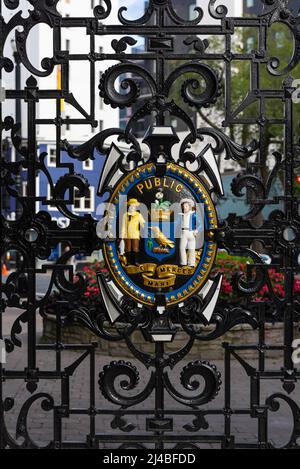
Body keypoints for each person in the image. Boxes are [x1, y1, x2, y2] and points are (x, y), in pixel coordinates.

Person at [177, 198, 203, 267]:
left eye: (186, 206)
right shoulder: (181, 215)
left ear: (189, 206)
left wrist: (197, 230)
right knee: (181, 248)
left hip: (191, 233)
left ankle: (191, 263)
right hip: (183, 233)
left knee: (191, 249)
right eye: (183, 206)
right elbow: (176, 223)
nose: (184, 208)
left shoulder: (193, 215)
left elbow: (200, 224)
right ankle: (183, 262)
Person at [120, 198, 146, 266]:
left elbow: (143, 223)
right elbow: (123, 226)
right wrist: (122, 235)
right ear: (129, 206)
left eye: (134, 206)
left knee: (135, 248)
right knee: (128, 248)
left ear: (136, 207)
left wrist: (147, 227)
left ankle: (136, 261)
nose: (132, 208)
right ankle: (128, 261)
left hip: (135, 234)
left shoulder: (138, 215)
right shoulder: (125, 215)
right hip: (127, 234)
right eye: (131, 206)